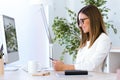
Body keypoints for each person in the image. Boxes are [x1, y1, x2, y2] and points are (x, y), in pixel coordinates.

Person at [52, 5, 111, 72]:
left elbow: (92, 65)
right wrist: (63, 66)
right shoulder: (85, 42)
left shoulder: (103, 39)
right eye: (79, 22)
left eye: (82, 21)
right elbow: (79, 65)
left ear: (93, 19)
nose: (80, 25)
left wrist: (64, 67)